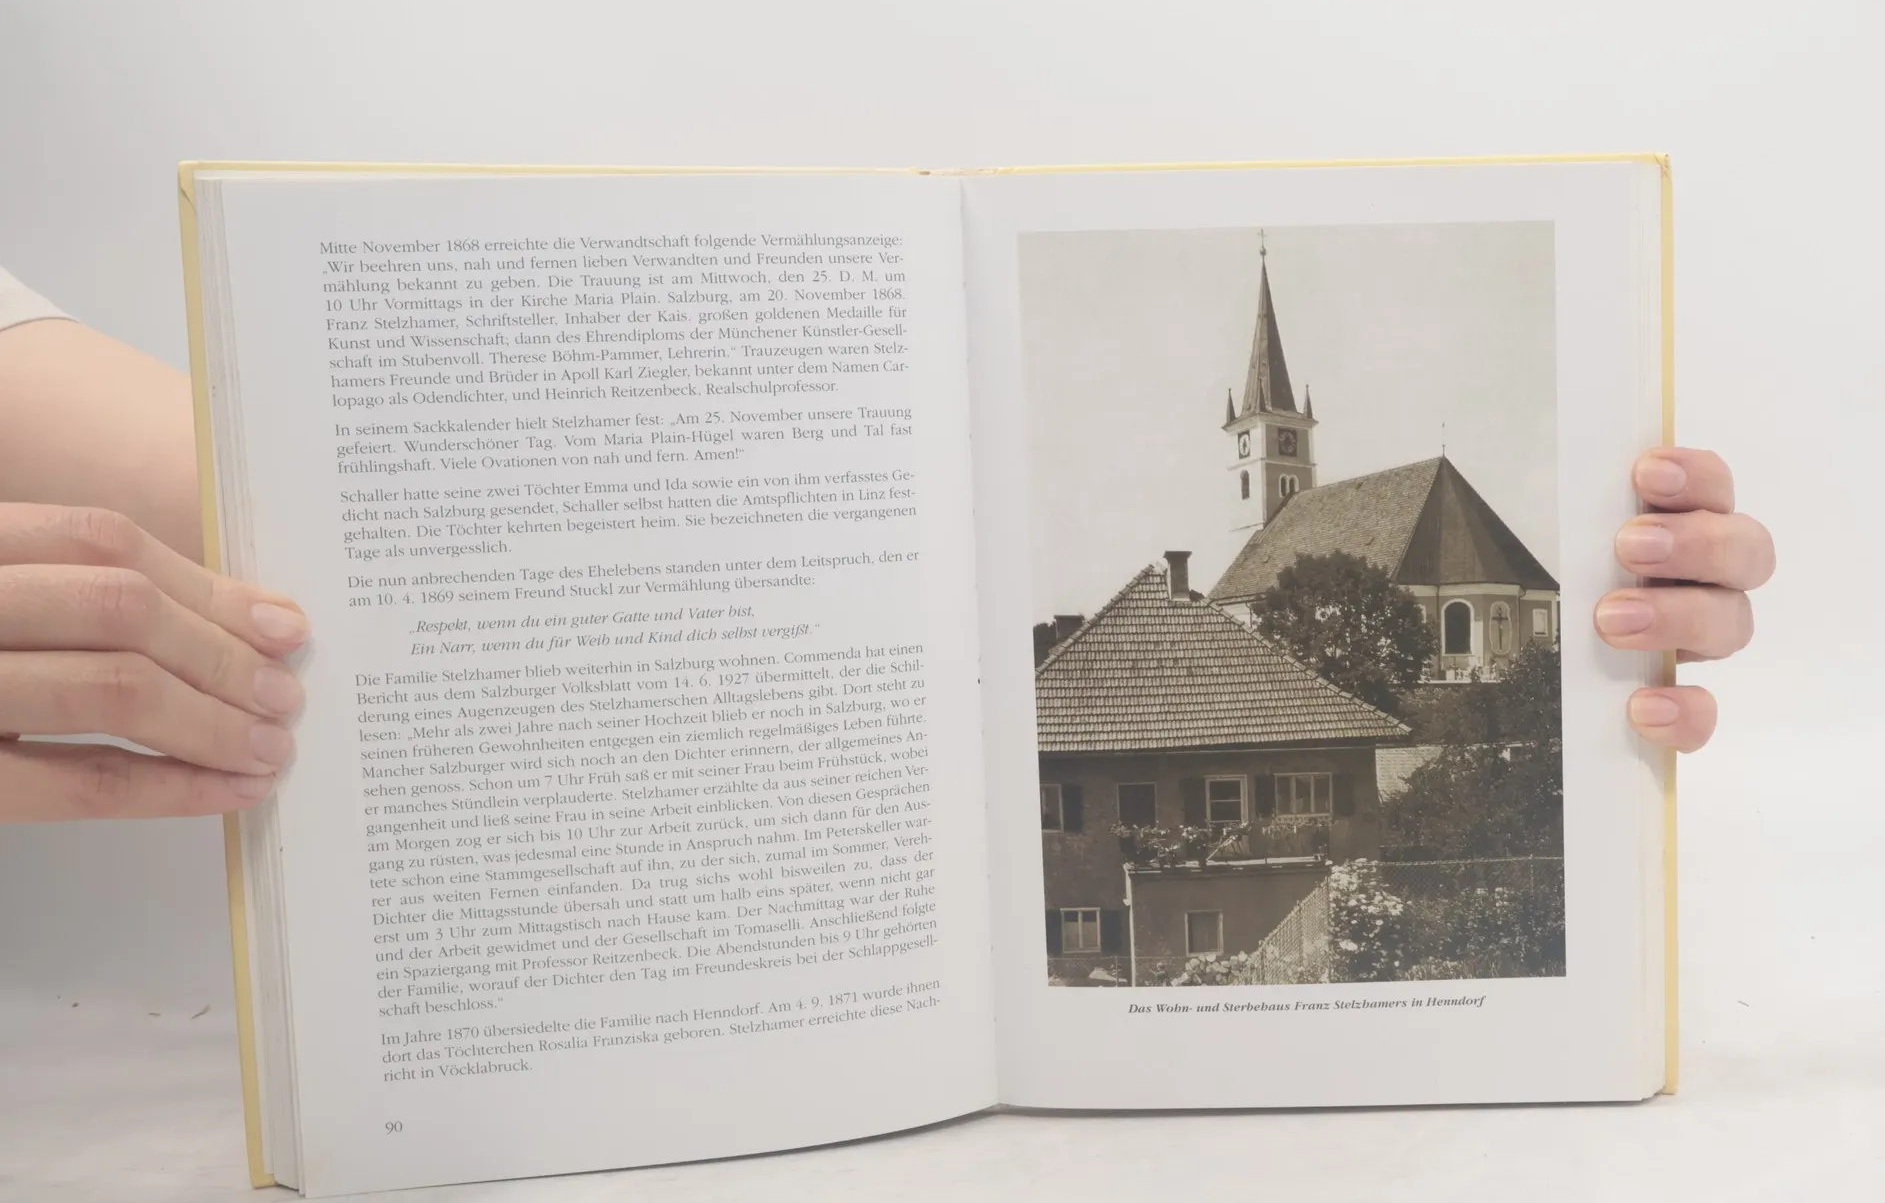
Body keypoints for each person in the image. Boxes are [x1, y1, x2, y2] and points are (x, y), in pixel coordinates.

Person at [0, 265, 1775, 823]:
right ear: (1254, 452)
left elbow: (139, 439)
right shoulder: (1284, 546)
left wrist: (1594, 647)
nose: (1275, 457)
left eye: (1283, 441)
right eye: (1264, 444)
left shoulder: (1375, 524)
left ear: (1294, 443)